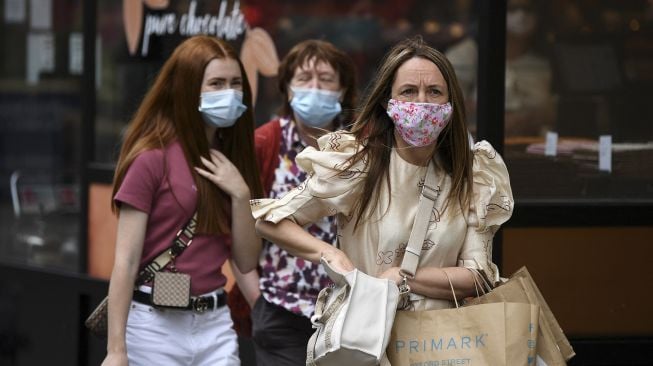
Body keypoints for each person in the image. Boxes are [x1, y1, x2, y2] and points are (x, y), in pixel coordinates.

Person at [252, 36, 514, 352]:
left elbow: (479, 276)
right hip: (368, 343)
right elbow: (270, 220)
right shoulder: (358, 165)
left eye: (434, 92)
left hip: (442, 347)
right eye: (408, 91)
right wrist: (330, 253)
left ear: (450, 103)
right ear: (387, 103)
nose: (422, 103)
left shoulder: (473, 174)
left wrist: (404, 278)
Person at [102, 35, 263, 366]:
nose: (229, 93)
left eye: (235, 83)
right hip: (154, 326)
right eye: (215, 83)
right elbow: (125, 262)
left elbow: (246, 262)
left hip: (216, 323)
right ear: (189, 89)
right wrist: (116, 350)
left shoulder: (233, 158)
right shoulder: (152, 158)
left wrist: (241, 194)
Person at [232, 39, 357, 366]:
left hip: (347, 311)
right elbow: (237, 224)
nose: (315, 87)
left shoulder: (361, 148)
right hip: (279, 311)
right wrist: (256, 301)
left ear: (342, 90)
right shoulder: (265, 143)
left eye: (326, 80)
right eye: (303, 79)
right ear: (288, 90)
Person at [446, 0, 554, 137]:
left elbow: (555, 110)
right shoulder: (467, 54)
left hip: (531, 145)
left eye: (528, 9)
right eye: (512, 9)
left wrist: (529, 119)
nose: (521, 16)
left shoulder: (544, 60)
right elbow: (447, 104)